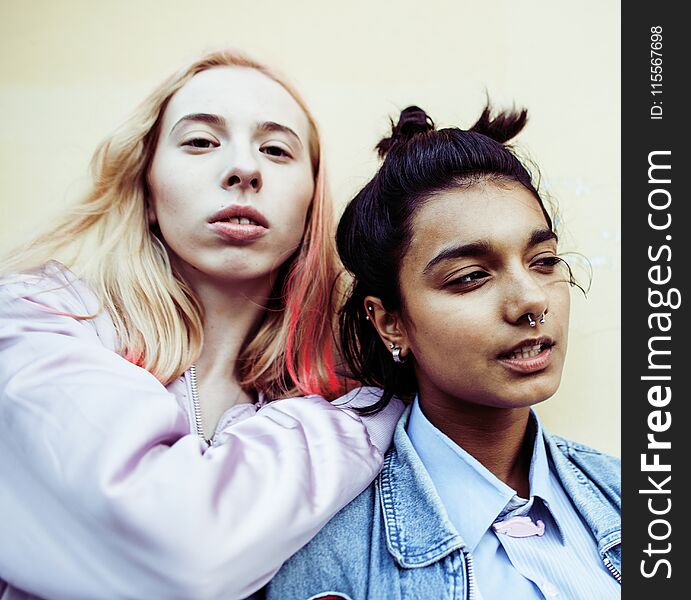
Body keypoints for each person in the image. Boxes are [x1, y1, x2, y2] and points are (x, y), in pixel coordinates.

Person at [0, 49, 402, 600]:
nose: (244, 169)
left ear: (312, 202)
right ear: (146, 190)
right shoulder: (33, 324)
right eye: (201, 142)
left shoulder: (340, 387)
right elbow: (183, 550)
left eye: (277, 149)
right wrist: (361, 418)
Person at [264, 105, 621, 599]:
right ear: (391, 322)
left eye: (544, 261)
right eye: (471, 276)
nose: (532, 300)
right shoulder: (325, 548)